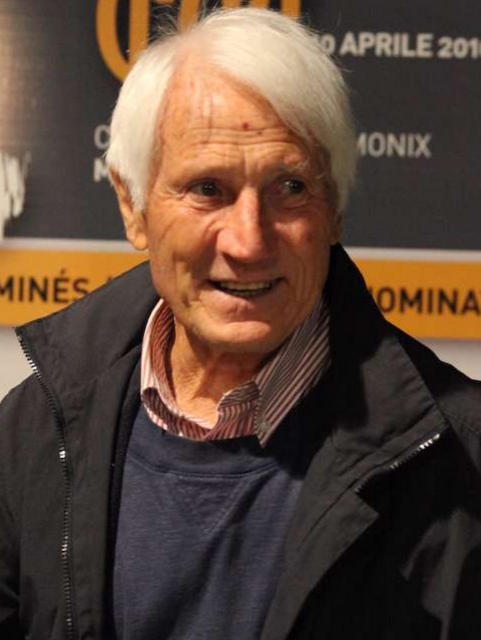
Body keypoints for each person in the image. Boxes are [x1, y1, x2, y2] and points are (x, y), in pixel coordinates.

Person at [1, 7, 480, 640]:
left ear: (336, 206)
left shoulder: (461, 459)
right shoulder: (31, 431)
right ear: (133, 205)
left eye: (290, 187)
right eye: (207, 188)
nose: (249, 242)